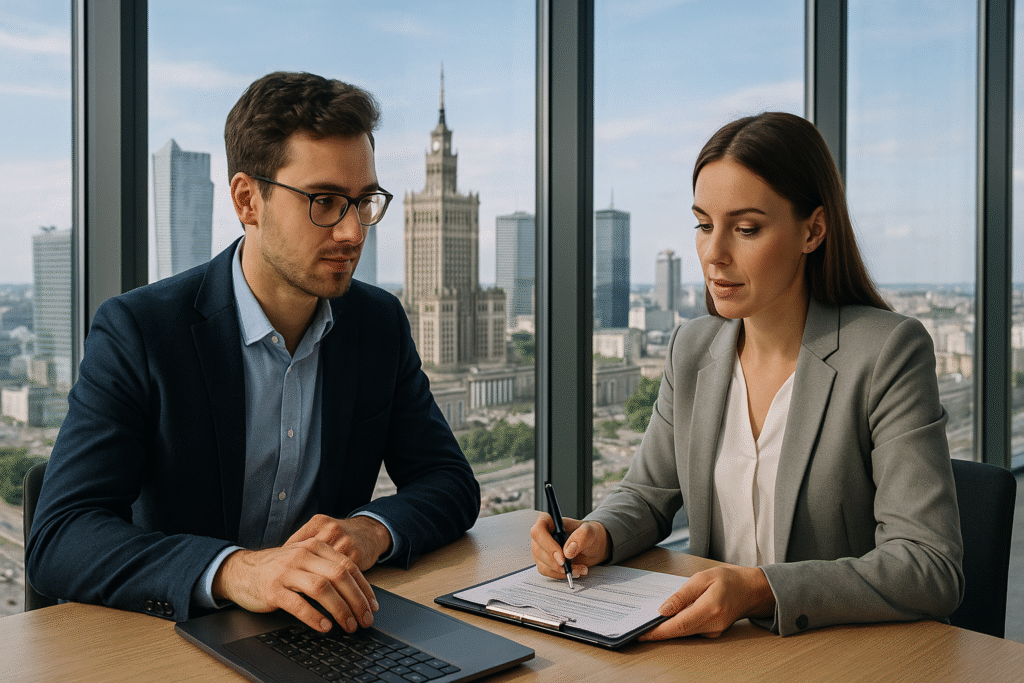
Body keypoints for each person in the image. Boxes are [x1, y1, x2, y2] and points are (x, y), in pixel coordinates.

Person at [26, 71, 480, 636]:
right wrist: (237, 571)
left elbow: (449, 482)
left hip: (324, 634)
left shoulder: (376, 322)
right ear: (248, 200)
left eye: (363, 202)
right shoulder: (141, 331)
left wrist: (369, 530)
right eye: (325, 201)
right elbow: (60, 537)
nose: (352, 232)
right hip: (174, 643)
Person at [531, 112, 964, 638]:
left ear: (813, 230)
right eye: (704, 224)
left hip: (839, 656)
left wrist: (763, 588)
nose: (714, 254)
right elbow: (646, 495)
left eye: (746, 229)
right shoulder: (692, 349)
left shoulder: (888, 352)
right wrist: (597, 533)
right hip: (721, 653)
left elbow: (929, 564)